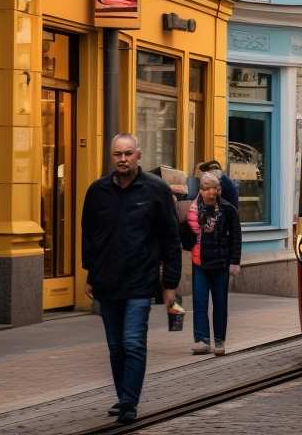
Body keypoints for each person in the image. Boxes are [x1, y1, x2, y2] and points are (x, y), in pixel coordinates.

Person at [82, 134, 182, 424]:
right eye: (117, 154)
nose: (122, 159)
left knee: (133, 342)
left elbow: (170, 240)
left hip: (141, 281)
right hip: (107, 282)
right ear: (111, 157)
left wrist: (170, 284)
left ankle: (128, 402)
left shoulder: (156, 190)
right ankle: (124, 394)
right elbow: (89, 235)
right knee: (116, 346)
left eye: (128, 154)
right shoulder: (97, 191)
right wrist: (90, 272)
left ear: (138, 155)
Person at [182, 174, 242, 356]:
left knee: (220, 303)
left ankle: (219, 340)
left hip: (220, 264)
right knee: (199, 303)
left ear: (218, 190)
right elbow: (186, 239)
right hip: (199, 263)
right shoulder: (193, 209)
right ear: (200, 190)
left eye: (212, 188)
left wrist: (234, 262)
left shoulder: (228, 209)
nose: (209, 192)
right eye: (205, 188)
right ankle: (202, 340)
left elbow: (236, 238)